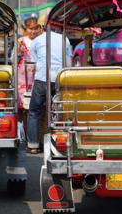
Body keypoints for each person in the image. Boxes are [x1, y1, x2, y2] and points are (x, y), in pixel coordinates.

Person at [26, 16, 72, 154]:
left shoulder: (37, 41)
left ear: (42, 27)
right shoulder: (65, 39)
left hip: (42, 79)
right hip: (60, 79)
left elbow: (34, 61)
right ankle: (61, 145)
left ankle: (33, 145)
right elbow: (68, 62)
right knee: (61, 112)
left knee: (34, 112)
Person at [17, 16, 42, 135]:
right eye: (30, 29)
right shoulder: (22, 41)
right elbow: (14, 57)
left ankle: (32, 134)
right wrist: (18, 48)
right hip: (23, 78)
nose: (32, 31)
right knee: (22, 107)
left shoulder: (41, 40)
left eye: (35, 28)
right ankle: (23, 132)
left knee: (33, 107)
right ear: (26, 29)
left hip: (37, 77)